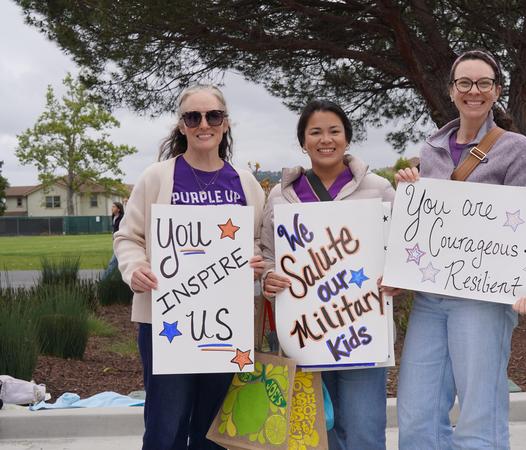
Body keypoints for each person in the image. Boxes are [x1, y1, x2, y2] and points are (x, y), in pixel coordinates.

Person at [393, 49, 526, 450]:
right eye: (464, 83)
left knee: (479, 416)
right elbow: (425, 224)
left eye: (483, 83)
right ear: (451, 90)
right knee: (416, 415)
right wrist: (410, 193)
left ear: (496, 91)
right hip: (430, 297)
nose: (473, 91)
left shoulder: (516, 148)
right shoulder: (431, 149)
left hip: (482, 300)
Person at [114, 84, 266, 450]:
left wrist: (257, 263)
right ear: (182, 126)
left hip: (226, 328)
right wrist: (134, 269)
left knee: (215, 431)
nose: (203, 124)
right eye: (193, 117)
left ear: (225, 123)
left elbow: (260, 242)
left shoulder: (245, 184)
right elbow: (127, 237)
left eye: (213, 115)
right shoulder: (157, 178)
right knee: (165, 428)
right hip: (167, 326)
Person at [259, 99, 396, 450]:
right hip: (304, 334)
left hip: (362, 332)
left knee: (364, 430)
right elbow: (267, 255)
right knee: (316, 434)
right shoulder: (282, 194)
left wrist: (397, 278)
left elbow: (402, 249)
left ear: (347, 138)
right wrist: (268, 279)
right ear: (303, 141)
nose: (326, 139)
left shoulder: (378, 189)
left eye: (334, 131)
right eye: (315, 132)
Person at [102, 201, 125, 279]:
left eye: (114, 207)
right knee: (119, 262)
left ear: (118, 209)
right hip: (116, 242)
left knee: (112, 262)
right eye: (112, 206)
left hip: (121, 243)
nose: (112, 208)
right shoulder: (113, 217)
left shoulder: (122, 218)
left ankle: (103, 280)